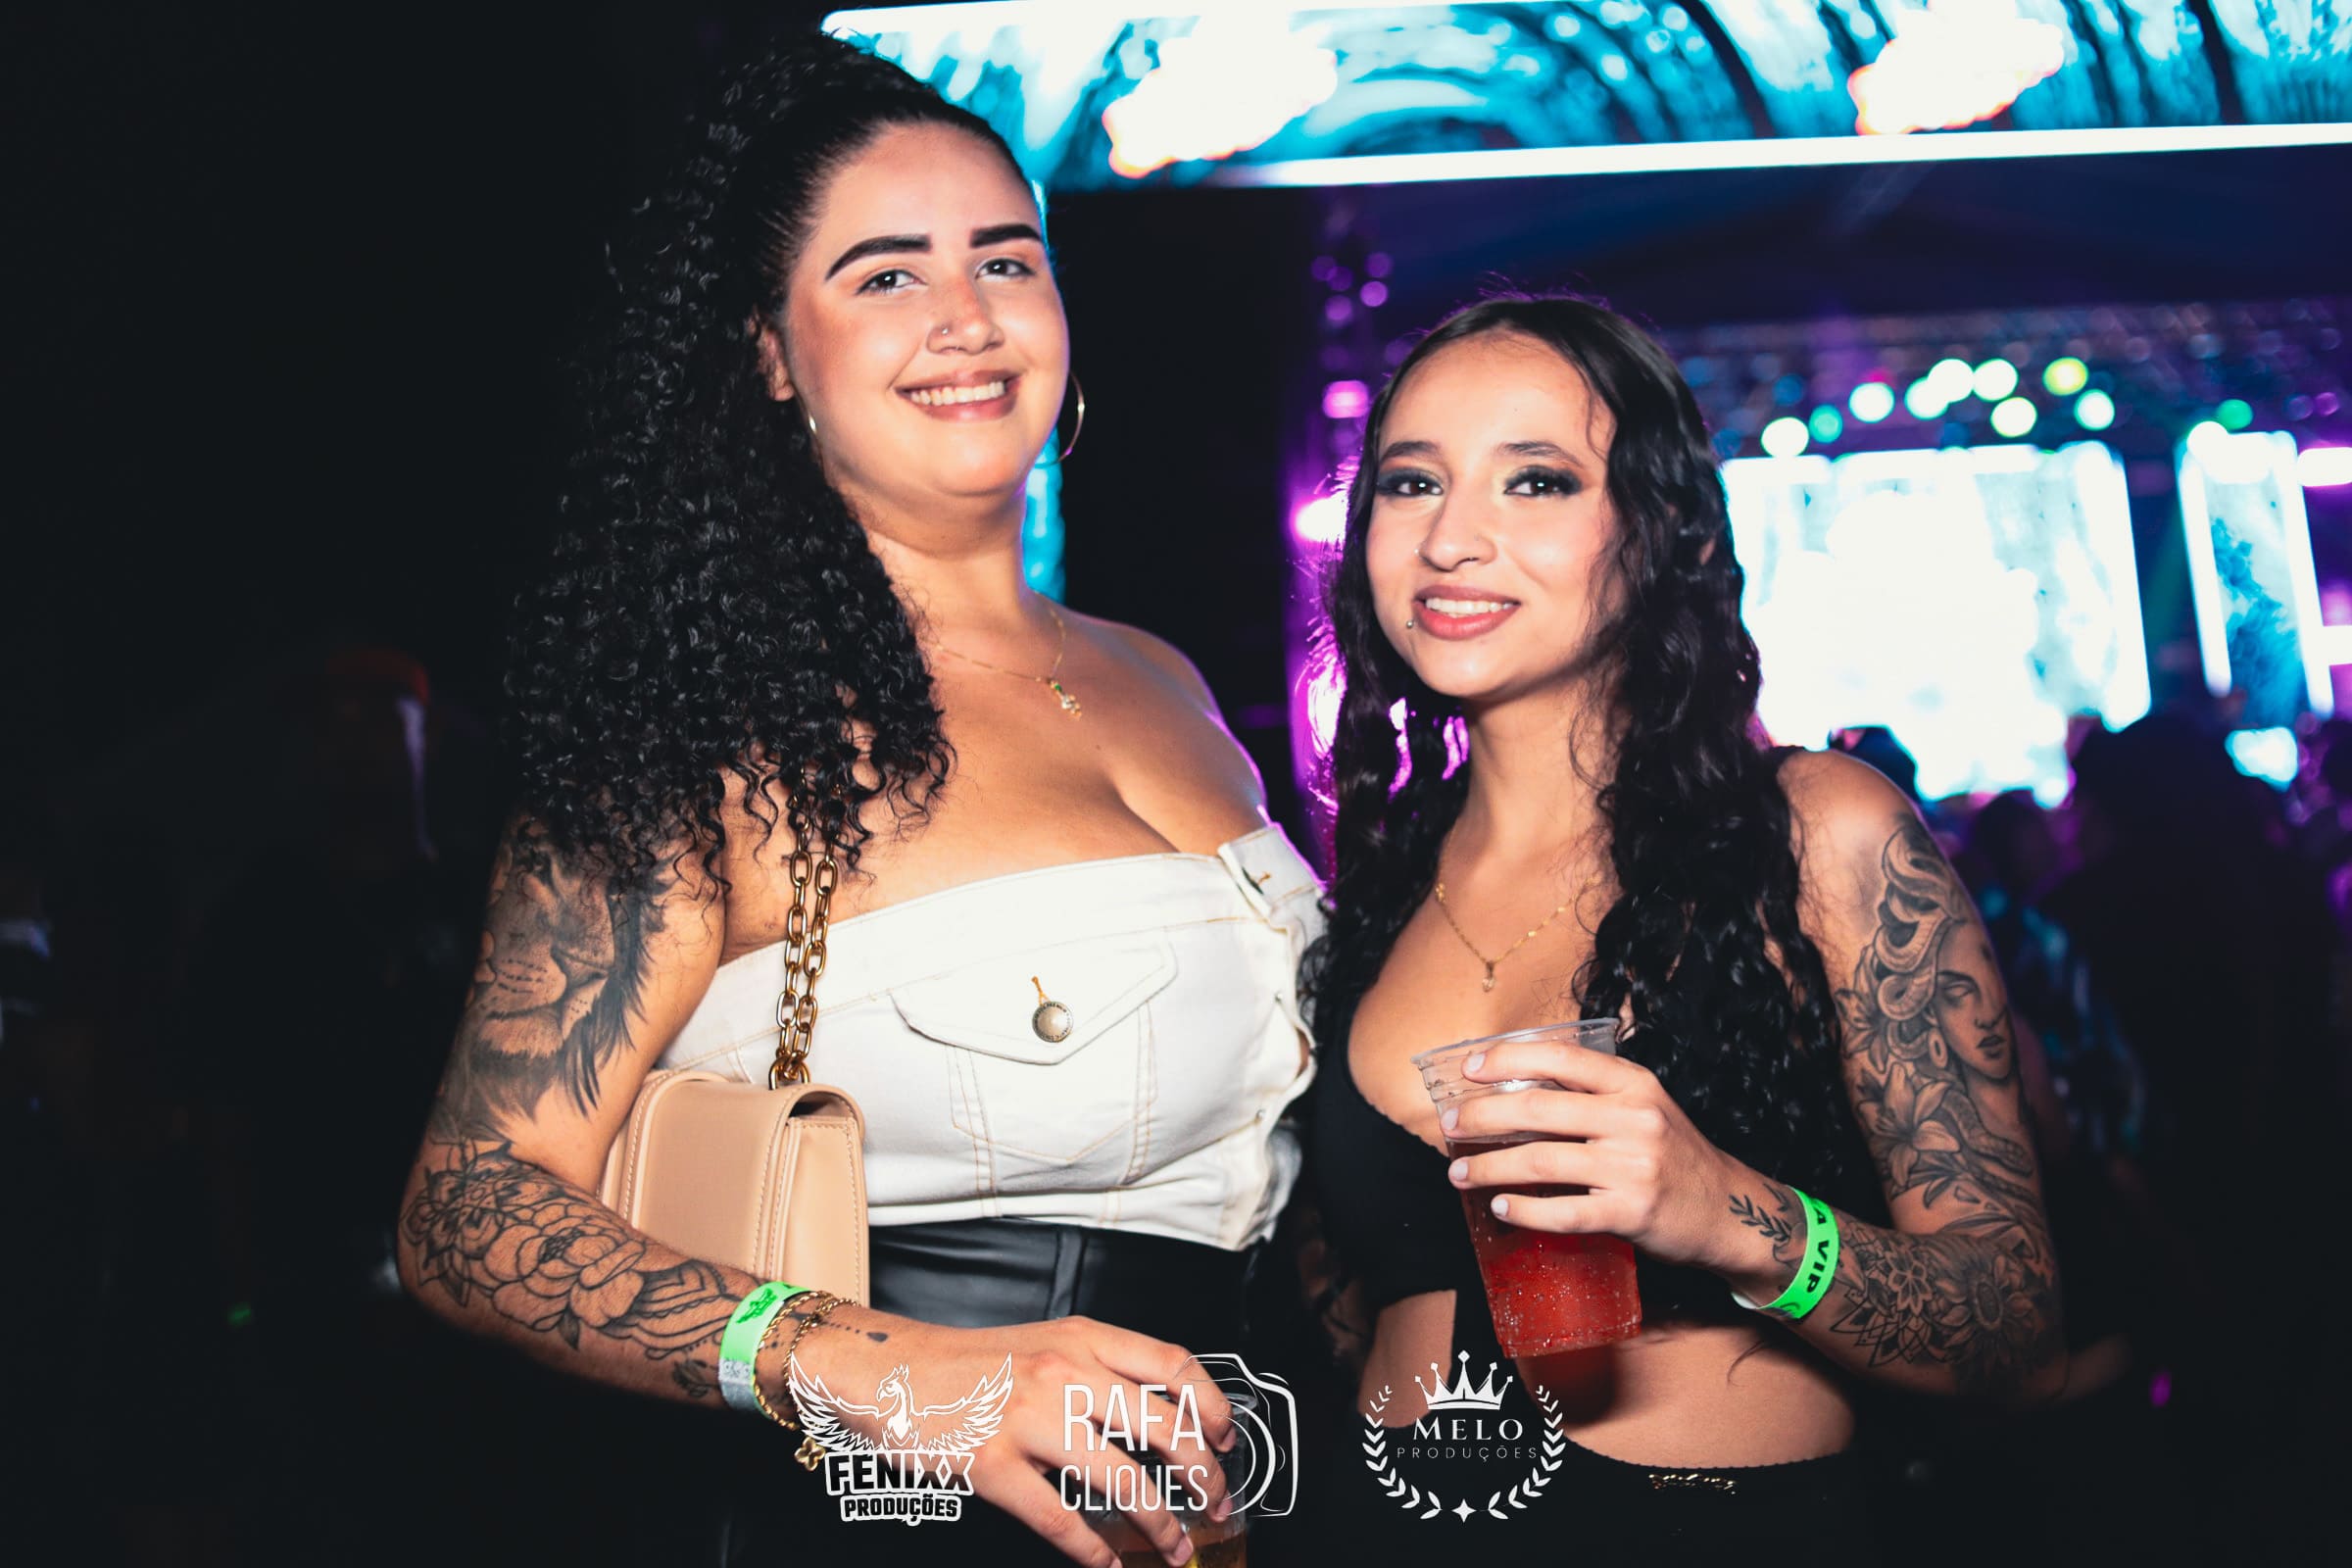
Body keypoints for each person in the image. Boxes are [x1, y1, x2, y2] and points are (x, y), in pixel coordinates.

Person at [394, 36, 1317, 1568]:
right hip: (889, 1523)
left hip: (1226, 1505)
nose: (967, 317)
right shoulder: (703, 735)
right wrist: (887, 1370)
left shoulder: (1166, 677)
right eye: (886, 275)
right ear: (772, 354)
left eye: (1005, 260)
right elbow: (468, 1213)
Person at [1301, 295, 2065, 1559]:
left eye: (1536, 481)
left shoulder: (1817, 835)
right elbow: (1337, 1301)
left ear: (1666, 531)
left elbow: (2010, 1327)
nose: (1451, 539)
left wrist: (1726, 1215)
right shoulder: (1377, 886)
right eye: (1411, 482)